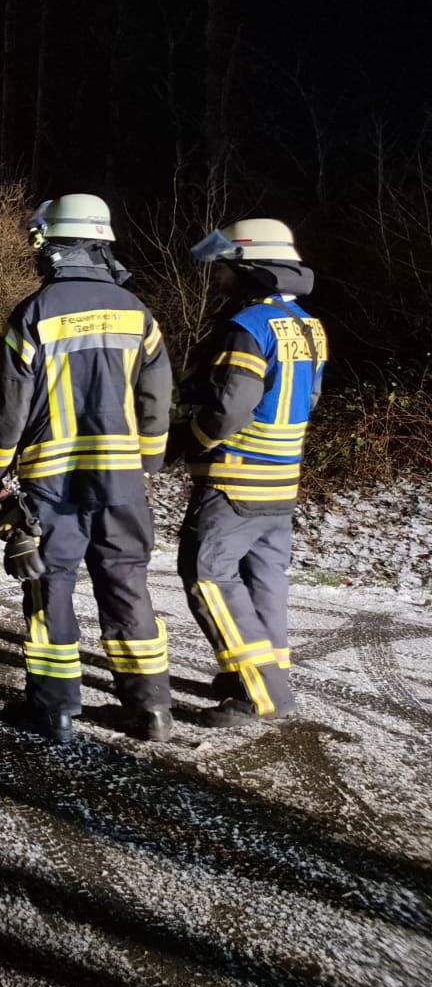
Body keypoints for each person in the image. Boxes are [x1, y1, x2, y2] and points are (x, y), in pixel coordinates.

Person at [0, 194, 173, 742]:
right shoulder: (137, 312)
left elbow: (10, 405)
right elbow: (156, 395)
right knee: (127, 581)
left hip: (53, 481)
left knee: (50, 584)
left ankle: (55, 708)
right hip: (122, 482)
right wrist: (149, 461)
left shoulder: (33, 313)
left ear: (53, 245)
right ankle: (152, 707)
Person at [175, 218, 326, 727]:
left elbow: (230, 408)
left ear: (250, 267)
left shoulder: (248, 327)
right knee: (263, 578)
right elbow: (310, 397)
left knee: (207, 575)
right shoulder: (308, 325)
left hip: (236, 479)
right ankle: (263, 675)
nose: (219, 277)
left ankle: (262, 694)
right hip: (282, 481)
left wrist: (191, 439)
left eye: (225, 267)